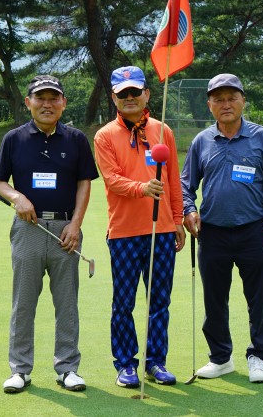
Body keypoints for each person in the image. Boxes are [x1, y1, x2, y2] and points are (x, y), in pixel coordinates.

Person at [0, 75, 99, 394]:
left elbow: (84, 183)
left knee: (66, 304)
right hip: (29, 228)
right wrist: (17, 197)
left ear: (63, 103)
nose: (47, 104)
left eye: (54, 98)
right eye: (41, 98)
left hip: (66, 229)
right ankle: (20, 370)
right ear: (29, 103)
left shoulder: (76, 139)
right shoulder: (14, 139)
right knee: (24, 303)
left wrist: (76, 224)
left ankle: (67, 368)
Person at [181, 73, 263, 384]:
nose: (226, 104)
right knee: (214, 300)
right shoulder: (202, 141)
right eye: (219, 99)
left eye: (231, 98)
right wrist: (189, 210)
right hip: (212, 232)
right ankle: (220, 357)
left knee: (258, 300)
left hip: (254, 230)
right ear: (209, 105)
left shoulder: (261, 137)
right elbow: (185, 185)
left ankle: (258, 357)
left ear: (243, 101)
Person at [93, 65, 186, 388]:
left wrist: (177, 220)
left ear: (146, 94)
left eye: (135, 92)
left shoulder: (163, 131)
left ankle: (155, 362)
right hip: (124, 233)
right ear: (114, 98)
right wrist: (142, 188)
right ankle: (125, 364)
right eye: (123, 94)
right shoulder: (104, 136)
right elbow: (111, 179)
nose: (130, 97)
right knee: (124, 303)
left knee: (159, 301)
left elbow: (173, 180)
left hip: (161, 231)